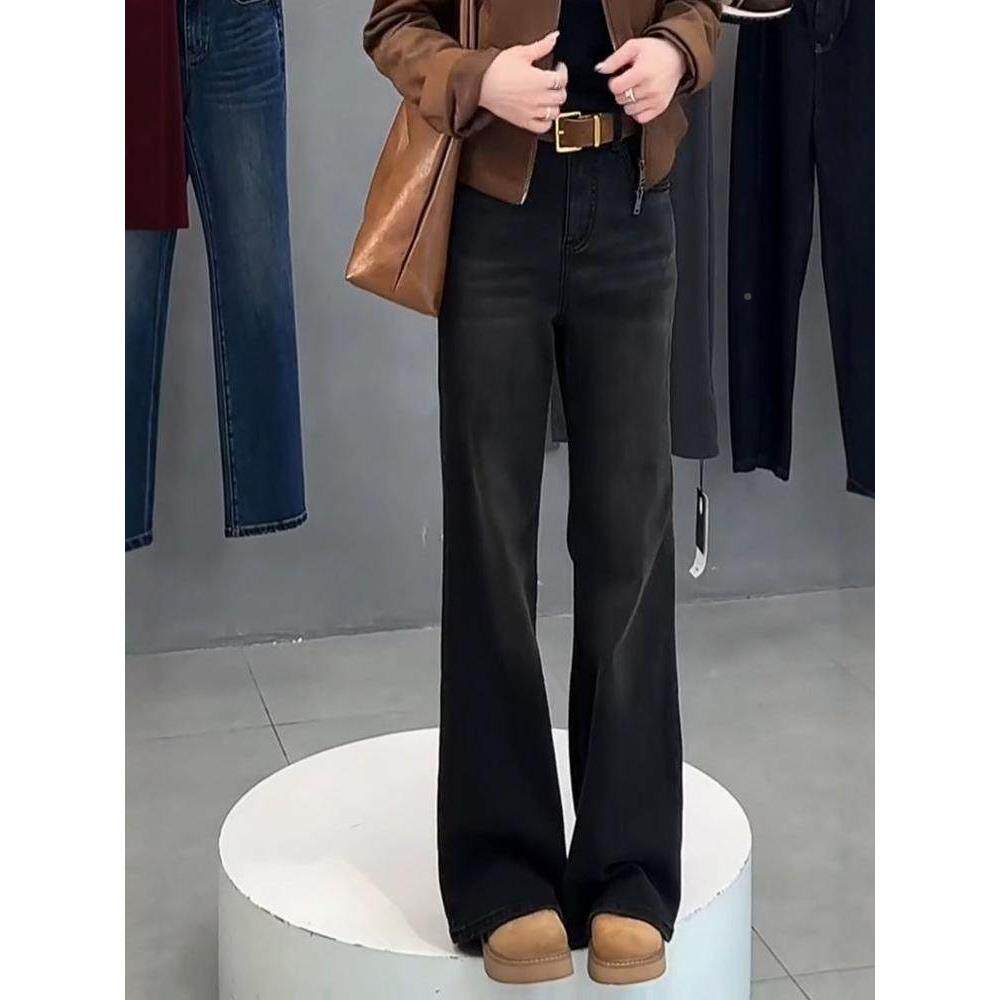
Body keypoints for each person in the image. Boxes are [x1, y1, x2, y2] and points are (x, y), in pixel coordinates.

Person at [363, 0, 720, 986]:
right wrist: (479, 78)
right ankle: (502, 870)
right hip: (496, 217)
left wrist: (675, 52)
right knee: (490, 541)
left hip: (633, 208)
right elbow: (394, 24)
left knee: (631, 543)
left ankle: (628, 869)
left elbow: (702, 8)